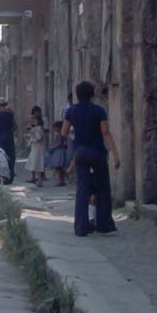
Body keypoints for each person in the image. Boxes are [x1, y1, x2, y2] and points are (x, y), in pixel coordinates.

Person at [61, 81, 121, 237]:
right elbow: (106, 133)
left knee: (82, 189)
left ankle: (81, 227)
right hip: (97, 152)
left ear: (77, 94)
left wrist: (76, 136)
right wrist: (115, 155)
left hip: (80, 152)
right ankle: (103, 224)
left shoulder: (71, 111)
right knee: (102, 188)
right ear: (92, 94)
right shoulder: (99, 111)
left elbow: (63, 132)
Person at [0, 99, 17, 184]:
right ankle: (11, 175)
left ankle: (4, 177)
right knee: (11, 156)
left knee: (2, 157)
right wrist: (10, 132)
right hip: (9, 136)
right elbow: (15, 126)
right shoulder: (10, 113)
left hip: (1, 137)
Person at [25, 106, 47, 187]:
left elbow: (39, 137)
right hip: (34, 147)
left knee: (37, 163)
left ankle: (40, 179)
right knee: (33, 162)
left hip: (38, 148)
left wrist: (33, 133)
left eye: (34, 120)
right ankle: (36, 178)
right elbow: (30, 136)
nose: (33, 122)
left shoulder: (39, 128)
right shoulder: (35, 128)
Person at [47, 120, 69, 186]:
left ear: (59, 127)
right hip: (59, 151)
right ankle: (62, 180)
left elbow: (59, 143)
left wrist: (53, 147)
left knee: (58, 167)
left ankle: (60, 181)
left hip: (60, 151)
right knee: (59, 167)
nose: (54, 129)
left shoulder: (61, 134)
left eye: (55, 127)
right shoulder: (60, 134)